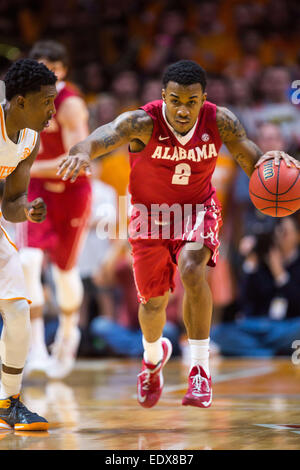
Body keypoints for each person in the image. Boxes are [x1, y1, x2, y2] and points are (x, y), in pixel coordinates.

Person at [58, 60, 299, 409]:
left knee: (192, 268)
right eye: (175, 100)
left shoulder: (220, 120)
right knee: (153, 304)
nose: (183, 109)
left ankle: (199, 369)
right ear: (163, 96)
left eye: (191, 101)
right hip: (149, 216)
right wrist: (82, 150)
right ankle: (152, 359)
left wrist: (274, 169)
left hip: (198, 209)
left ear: (203, 98)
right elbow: (104, 134)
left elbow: (253, 162)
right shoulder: (142, 121)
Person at [16, 41, 92, 379]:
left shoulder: (70, 104)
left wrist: (25, 168)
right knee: (28, 261)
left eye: (48, 67)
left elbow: (78, 160)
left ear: (61, 71)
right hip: (38, 190)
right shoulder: (20, 101)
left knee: (63, 271)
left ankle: (68, 331)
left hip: (72, 191)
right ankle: (36, 350)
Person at [0, 58, 57, 429]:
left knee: (19, 313)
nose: (53, 111)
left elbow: (10, 202)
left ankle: (9, 402)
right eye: (46, 102)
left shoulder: (31, 140)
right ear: (20, 101)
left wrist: (28, 211)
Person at [211, 215, 300, 357]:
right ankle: (273, 352)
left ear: (297, 236)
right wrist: (250, 263)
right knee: (217, 333)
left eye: (285, 232)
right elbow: (245, 302)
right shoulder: (262, 261)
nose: (280, 236)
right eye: (277, 231)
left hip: (286, 326)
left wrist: (280, 274)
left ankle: (255, 351)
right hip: (257, 326)